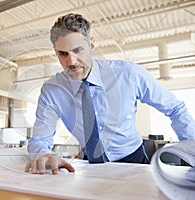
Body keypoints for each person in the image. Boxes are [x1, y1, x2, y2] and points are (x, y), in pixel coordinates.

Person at [24, 13, 195, 175]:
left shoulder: (127, 74)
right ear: (56, 52)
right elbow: (40, 139)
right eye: (63, 54)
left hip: (134, 161)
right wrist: (42, 154)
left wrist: (192, 151)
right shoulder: (52, 90)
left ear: (91, 45)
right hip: (90, 166)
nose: (71, 62)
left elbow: (175, 109)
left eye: (78, 50)